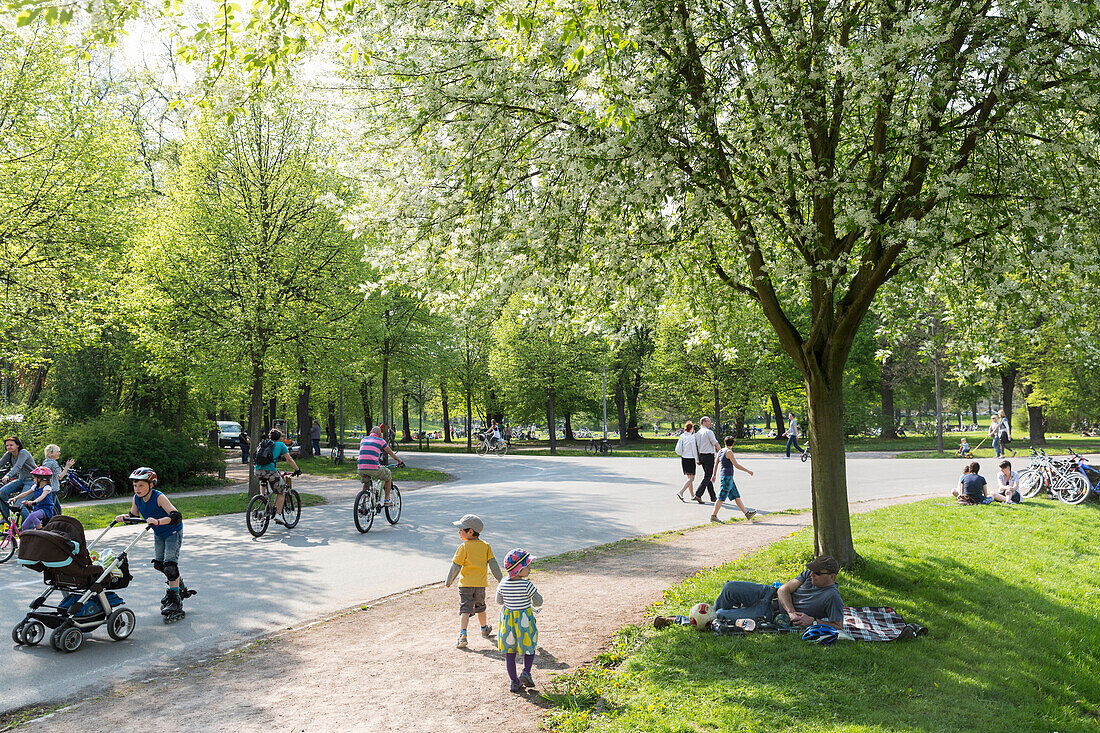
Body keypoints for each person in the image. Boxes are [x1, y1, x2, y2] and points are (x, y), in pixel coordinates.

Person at [654, 555, 844, 630]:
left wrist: (814, 621)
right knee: (729, 588)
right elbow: (784, 589)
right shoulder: (808, 575)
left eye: (817, 573)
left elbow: (838, 625)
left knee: (720, 614)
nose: (812, 575)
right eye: (811, 570)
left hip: (769, 614)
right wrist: (793, 612)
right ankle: (713, 623)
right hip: (767, 593)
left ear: (832, 577)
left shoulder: (832, 597)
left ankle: (681, 620)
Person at [114, 467, 195, 620]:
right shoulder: (136, 498)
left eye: (141, 485)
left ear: (151, 485)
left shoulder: (159, 497)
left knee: (170, 566)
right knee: (159, 565)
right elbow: (134, 516)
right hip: (159, 533)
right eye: (135, 486)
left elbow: (176, 516)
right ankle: (179, 588)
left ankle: (175, 600)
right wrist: (124, 518)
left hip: (172, 532)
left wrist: (157, 521)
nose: (137, 489)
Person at [446, 513, 503, 648]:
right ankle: (484, 629)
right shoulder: (486, 546)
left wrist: (449, 581)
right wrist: (501, 580)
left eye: (461, 530)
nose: (459, 532)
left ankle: (463, 635)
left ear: (470, 532)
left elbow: (456, 566)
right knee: (480, 607)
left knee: (465, 610)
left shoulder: (464, 547)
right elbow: (493, 564)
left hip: (465, 585)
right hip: (480, 585)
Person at [496, 548, 543, 693]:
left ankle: (514, 682)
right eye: (527, 566)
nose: (530, 568)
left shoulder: (503, 583)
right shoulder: (527, 585)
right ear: (519, 570)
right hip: (524, 621)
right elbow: (539, 602)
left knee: (510, 652)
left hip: (508, 621)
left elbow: (498, 601)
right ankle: (526, 672)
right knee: (529, 647)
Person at [254, 428, 302, 523]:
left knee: (263, 479)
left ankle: (262, 497)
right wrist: (297, 470)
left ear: (269, 437)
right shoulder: (280, 445)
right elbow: (289, 459)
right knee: (281, 491)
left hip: (257, 470)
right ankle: (278, 515)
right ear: (279, 437)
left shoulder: (263, 444)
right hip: (270, 471)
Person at [710, 436, 758, 522]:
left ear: (725, 443)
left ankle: (747, 514)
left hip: (725, 477)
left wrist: (714, 475)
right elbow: (736, 465)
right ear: (732, 444)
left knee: (736, 496)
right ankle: (713, 516)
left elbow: (716, 463)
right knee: (721, 497)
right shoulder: (729, 452)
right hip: (727, 477)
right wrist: (748, 471)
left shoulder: (720, 451)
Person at [357, 426, 404, 507]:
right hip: (373, 467)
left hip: (361, 468)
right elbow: (391, 453)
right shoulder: (381, 441)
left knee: (366, 483)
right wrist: (399, 460)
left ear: (370, 433)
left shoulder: (363, 439)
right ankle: (386, 500)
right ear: (379, 435)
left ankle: (363, 503)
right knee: (388, 475)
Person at [0, 436, 37, 522]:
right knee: (1, 493)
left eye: (11, 445)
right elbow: (0, 463)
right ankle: (6, 517)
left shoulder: (23, 452)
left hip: (31, 481)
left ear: (17, 445)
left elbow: (18, 466)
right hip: (21, 480)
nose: (8, 447)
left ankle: (31, 526)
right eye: (7, 445)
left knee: (19, 504)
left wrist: (8, 476)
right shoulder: (9, 454)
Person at [13, 465, 57, 531]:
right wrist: (15, 498)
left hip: (45, 510)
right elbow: (26, 493)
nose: (33, 480)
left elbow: (42, 496)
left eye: (34, 478)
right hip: (37, 509)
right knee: (24, 527)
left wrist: (34, 502)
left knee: (32, 515)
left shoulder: (47, 488)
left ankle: (41, 531)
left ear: (40, 479)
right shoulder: (35, 486)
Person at [693, 416, 720, 503]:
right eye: (708, 421)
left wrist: (698, 459)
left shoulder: (697, 433)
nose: (710, 423)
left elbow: (696, 447)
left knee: (707, 476)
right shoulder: (709, 432)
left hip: (702, 456)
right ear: (703, 422)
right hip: (708, 456)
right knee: (708, 476)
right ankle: (698, 494)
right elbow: (715, 443)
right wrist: (722, 452)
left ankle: (713, 497)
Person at [674, 421, 699, 502]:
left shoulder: (682, 437)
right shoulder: (691, 438)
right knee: (691, 478)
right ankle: (681, 492)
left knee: (689, 478)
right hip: (690, 459)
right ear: (691, 429)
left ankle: (692, 495)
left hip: (684, 458)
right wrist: (697, 460)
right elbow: (694, 450)